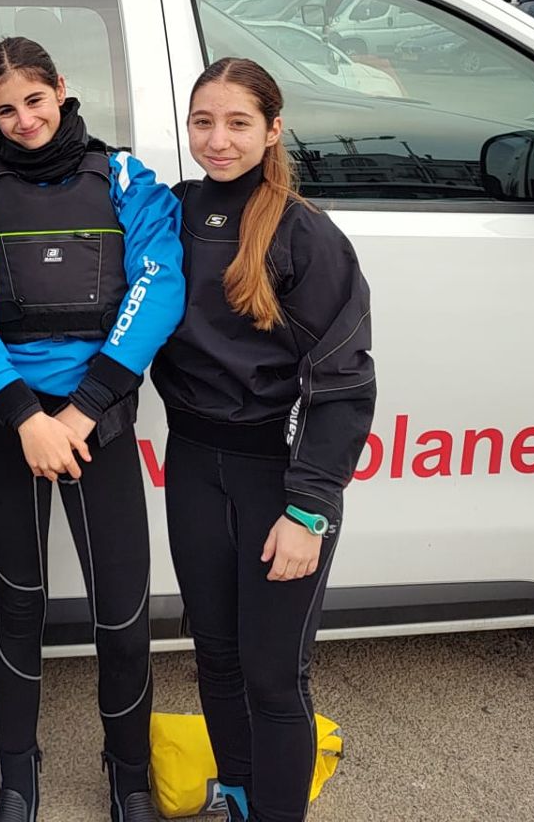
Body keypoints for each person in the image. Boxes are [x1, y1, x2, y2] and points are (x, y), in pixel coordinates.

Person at [0, 37, 184, 822]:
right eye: (4, 109)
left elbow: (159, 284)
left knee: (122, 608)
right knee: (19, 605)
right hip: (11, 426)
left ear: (61, 91)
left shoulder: (123, 179)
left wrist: (81, 411)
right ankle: (18, 774)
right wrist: (23, 416)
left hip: (94, 425)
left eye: (34, 102)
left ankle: (129, 774)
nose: (23, 120)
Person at [152, 58, 375, 822]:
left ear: (273, 130)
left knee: (273, 677)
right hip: (193, 463)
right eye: (202, 122)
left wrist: (309, 509)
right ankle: (242, 797)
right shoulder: (171, 212)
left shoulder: (305, 235)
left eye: (238, 123)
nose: (217, 140)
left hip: (279, 480)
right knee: (213, 655)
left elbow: (344, 384)